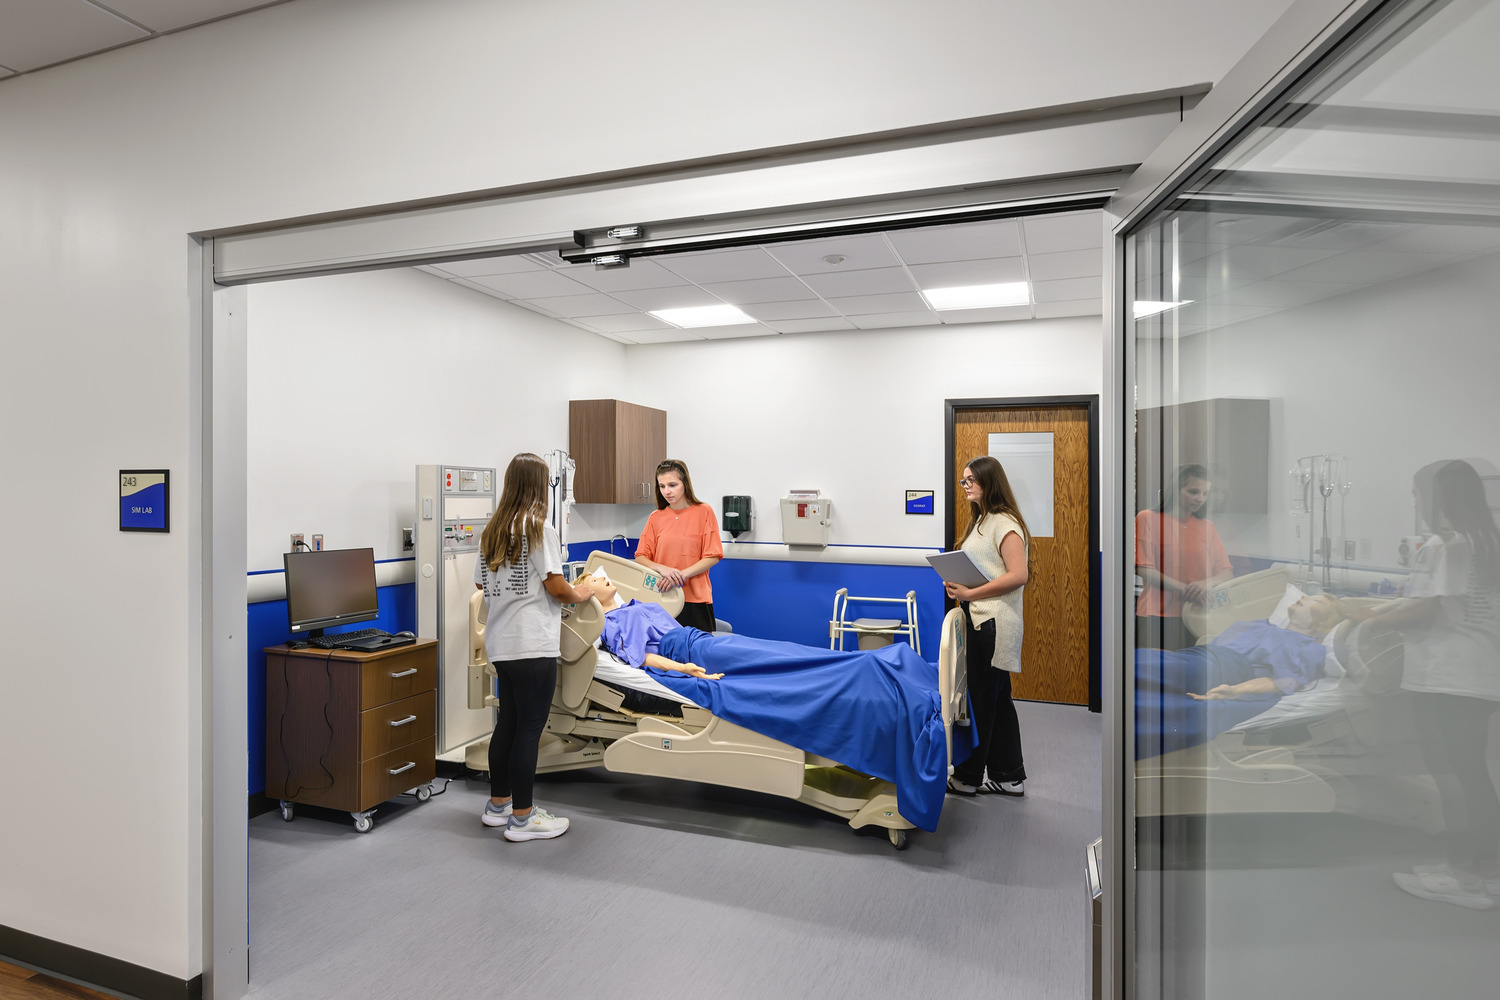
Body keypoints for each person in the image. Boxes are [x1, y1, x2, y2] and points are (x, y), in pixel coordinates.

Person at [1341, 460, 1500, 910]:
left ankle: (1465, 876)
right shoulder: (1486, 542)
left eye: (1416, 494)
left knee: (1452, 774)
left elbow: (1427, 610)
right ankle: (1485, 871)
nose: (1415, 502)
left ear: (1437, 497)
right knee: (1472, 774)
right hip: (1481, 673)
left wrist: (1364, 617)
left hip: (1447, 676)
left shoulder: (1446, 545)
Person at [473, 453, 601, 843]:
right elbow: (556, 586)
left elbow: (481, 585)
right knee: (529, 730)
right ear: (537, 486)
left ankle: (498, 806)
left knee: (507, 725)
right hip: (532, 644)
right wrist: (584, 592)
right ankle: (523, 819)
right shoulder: (538, 528)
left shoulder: (493, 530)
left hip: (501, 644)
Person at [1134, 594, 1343, 758]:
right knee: (1144, 662)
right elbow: (1202, 652)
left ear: (1325, 623)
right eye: (1307, 595)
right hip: (1202, 658)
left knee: (1141, 675)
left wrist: (1234, 690)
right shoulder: (1257, 625)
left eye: (1318, 601)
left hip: (1226, 669)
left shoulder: (1309, 648)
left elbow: (1280, 682)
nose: (1304, 597)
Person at [943, 455, 1031, 797]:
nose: (965, 486)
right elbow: (987, 569)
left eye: (971, 480)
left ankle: (967, 778)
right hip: (979, 618)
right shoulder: (982, 520)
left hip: (994, 623)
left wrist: (971, 593)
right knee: (997, 699)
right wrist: (959, 587)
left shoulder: (1004, 523)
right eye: (963, 480)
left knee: (981, 700)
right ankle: (1008, 777)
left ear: (989, 481)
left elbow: (1018, 575)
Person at [1136, 464, 1234, 651]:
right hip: (1156, 617)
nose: (1200, 498)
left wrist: (1205, 584)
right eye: (1193, 492)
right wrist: (1187, 589)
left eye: (1205, 493)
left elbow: (1226, 571)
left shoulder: (1207, 527)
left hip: (1197, 617)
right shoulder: (1148, 518)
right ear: (1176, 489)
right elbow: (1144, 568)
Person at [635, 459, 724, 632]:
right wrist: (663, 569)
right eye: (662, 486)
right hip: (662, 597)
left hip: (695, 600)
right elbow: (641, 556)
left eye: (672, 485)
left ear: (685, 484)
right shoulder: (655, 517)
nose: (666, 491)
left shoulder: (704, 511)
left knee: (698, 648)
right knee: (663, 649)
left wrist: (680, 575)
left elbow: (713, 555)